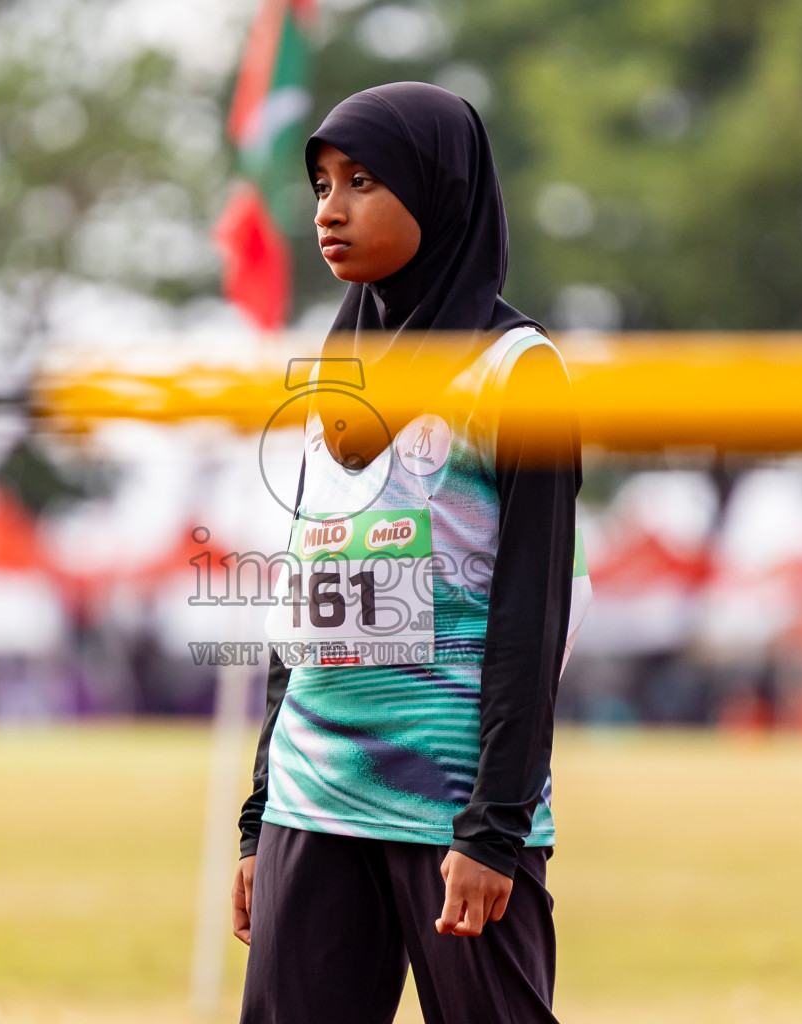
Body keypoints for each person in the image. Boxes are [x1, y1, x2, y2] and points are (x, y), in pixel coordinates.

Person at [232, 81, 585, 1024]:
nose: (329, 210)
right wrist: (260, 815)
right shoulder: (330, 374)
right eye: (319, 185)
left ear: (439, 192)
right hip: (313, 799)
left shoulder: (518, 371)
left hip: (453, 811)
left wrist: (495, 831)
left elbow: (530, 618)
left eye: (363, 181)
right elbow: (302, 602)